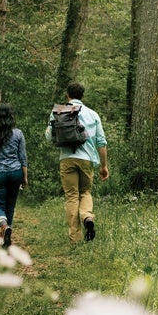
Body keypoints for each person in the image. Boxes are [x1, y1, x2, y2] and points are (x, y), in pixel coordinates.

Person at [46, 81, 108, 242]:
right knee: (85, 192)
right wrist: (103, 166)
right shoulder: (92, 114)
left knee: (72, 196)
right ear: (82, 95)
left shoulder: (59, 111)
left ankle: (75, 237)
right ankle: (87, 217)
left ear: (68, 95)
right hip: (87, 159)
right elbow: (101, 142)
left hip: (66, 158)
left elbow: (48, 136)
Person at [0, 103, 28, 248]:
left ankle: (4, 227)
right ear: (11, 116)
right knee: (10, 205)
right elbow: (23, 157)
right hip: (15, 172)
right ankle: (6, 232)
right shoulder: (18, 133)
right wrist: (25, 176)